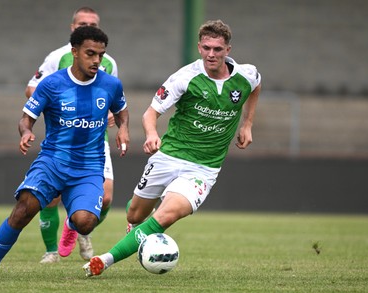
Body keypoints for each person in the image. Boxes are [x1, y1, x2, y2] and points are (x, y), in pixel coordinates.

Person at [82, 19, 261, 277]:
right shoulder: (185, 77)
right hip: (169, 156)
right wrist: (152, 134)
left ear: (228, 50)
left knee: (167, 216)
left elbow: (256, 87)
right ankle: (141, 225)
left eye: (218, 49)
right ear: (199, 47)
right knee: (135, 215)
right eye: (207, 48)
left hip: (204, 168)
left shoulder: (247, 74)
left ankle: (105, 260)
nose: (212, 54)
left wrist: (247, 124)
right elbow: (150, 113)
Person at [0, 25, 129, 281]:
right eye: (90, 53)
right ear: (75, 51)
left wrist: (123, 128)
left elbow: (122, 110)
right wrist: (25, 133)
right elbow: (27, 118)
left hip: (89, 166)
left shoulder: (111, 84)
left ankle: (71, 223)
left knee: (86, 222)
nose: (96, 60)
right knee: (24, 209)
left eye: (100, 55)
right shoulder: (52, 84)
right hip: (53, 161)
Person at [25, 7, 119, 264]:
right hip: (63, 140)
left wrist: (110, 114)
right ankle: (50, 251)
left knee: (107, 197)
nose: (85, 26)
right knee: (51, 196)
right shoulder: (57, 57)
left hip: (95, 140)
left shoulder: (108, 62)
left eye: (91, 23)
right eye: (81, 23)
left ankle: (74, 226)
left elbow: (112, 97)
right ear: (72, 28)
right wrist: (54, 109)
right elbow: (32, 87)